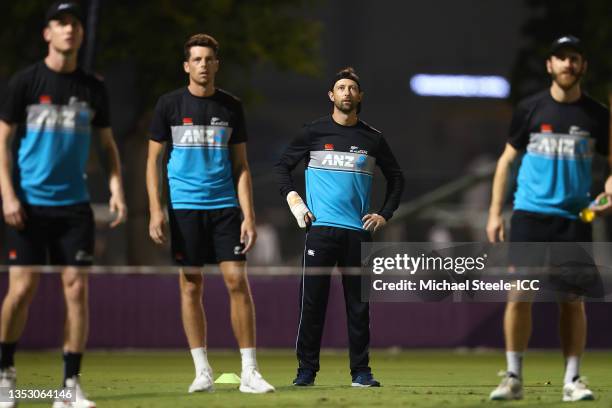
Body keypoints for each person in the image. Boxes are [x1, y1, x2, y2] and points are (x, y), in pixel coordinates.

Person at [0, 2, 127, 407]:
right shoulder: (25, 82)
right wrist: (7, 194)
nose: (69, 29)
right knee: (22, 289)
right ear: (47, 33)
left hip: (75, 207)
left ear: (81, 33)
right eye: (60, 23)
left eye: (74, 23)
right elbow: (2, 142)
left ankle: (69, 387)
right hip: (29, 206)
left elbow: (107, 146)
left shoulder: (92, 87)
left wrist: (116, 189)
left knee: (76, 290)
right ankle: (5, 373)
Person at [146, 33, 274, 394]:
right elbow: (153, 160)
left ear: (217, 64)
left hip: (224, 209)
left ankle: (250, 371)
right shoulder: (168, 105)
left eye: (208, 59)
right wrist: (156, 210)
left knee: (237, 283)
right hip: (184, 208)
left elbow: (242, 166)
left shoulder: (231, 106)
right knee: (191, 285)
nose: (203, 65)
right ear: (187, 65)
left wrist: (248, 215)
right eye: (196, 59)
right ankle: (202, 371)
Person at [486, 35, 611, 402]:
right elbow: (506, 161)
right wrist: (495, 213)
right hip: (529, 215)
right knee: (518, 295)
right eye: (561, 58)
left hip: (574, 217)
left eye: (574, 58)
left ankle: (572, 381)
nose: (567, 64)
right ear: (550, 66)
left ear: (582, 66)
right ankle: (513, 378)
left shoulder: (598, 115)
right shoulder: (530, 108)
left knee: (572, 300)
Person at [275, 67, 404, 387]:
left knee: (359, 309)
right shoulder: (313, 133)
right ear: (331, 96)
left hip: (358, 235)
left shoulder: (373, 138)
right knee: (312, 306)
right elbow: (282, 168)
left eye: (352, 88)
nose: (347, 92)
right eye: (341, 88)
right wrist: (294, 201)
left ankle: (361, 372)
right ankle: (306, 372)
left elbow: (397, 179)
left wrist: (385, 214)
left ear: (360, 96)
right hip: (319, 232)